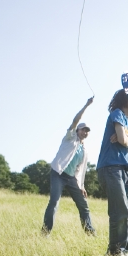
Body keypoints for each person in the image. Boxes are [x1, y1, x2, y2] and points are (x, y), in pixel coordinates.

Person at [97, 89, 128, 256]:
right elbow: (123, 141)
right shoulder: (117, 114)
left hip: (121, 168)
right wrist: (126, 138)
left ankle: (123, 252)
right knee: (120, 210)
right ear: (126, 101)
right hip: (109, 167)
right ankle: (115, 253)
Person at [41, 97, 96, 237]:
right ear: (77, 130)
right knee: (54, 202)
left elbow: (81, 170)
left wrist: (82, 186)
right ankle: (45, 232)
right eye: (83, 130)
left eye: (87, 131)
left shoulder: (84, 150)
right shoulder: (70, 138)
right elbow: (75, 121)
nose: (85, 132)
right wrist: (86, 105)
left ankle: (89, 232)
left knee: (83, 205)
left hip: (71, 179)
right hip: (58, 174)